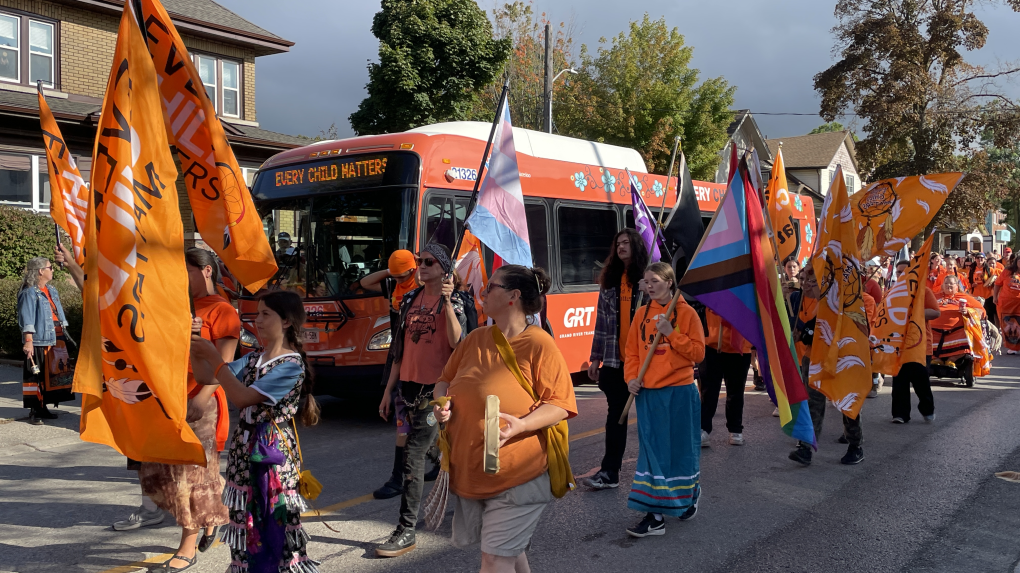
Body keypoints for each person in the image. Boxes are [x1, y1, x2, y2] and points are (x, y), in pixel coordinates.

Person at [433, 265, 577, 572]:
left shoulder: (539, 343)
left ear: (513, 296)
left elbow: (561, 405)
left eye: (491, 288)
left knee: (495, 559)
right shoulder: (475, 338)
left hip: (518, 476)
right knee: (507, 553)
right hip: (474, 473)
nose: (482, 293)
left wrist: (522, 425)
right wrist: (441, 403)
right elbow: (443, 380)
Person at [189, 290, 321, 573]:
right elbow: (204, 376)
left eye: (265, 314)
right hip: (244, 450)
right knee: (244, 516)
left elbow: (242, 397)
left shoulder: (291, 365)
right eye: (257, 313)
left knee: (275, 520)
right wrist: (195, 343)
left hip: (273, 453)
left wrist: (215, 357)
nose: (257, 320)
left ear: (286, 321)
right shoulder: (253, 359)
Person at [138, 249, 236, 572]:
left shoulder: (222, 310)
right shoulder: (178, 305)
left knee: (189, 478)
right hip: (171, 400)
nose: (182, 278)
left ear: (206, 271)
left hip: (201, 403)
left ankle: (187, 546)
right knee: (155, 473)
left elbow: (225, 362)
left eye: (188, 271)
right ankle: (214, 508)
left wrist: (202, 397)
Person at [376, 244, 466, 558]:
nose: (421, 266)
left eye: (428, 262)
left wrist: (447, 302)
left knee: (412, 455)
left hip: (435, 391)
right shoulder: (410, 300)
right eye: (419, 261)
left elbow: (458, 342)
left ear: (443, 269)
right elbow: (399, 350)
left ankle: (406, 529)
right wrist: (389, 390)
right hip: (407, 389)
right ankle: (463, 487)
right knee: (428, 448)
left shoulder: (454, 301)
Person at [623, 262, 705, 537]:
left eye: (654, 280)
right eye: (646, 281)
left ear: (670, 282)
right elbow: (633, 352)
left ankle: (688, 495)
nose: (649, 286)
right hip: (649, 394)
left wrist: (672, 333)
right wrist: (632, 378)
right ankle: (654, 515)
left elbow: (698, 353)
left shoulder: (687, 313)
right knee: (652, 453)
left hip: (680, 392)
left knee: (680, 450)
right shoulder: (641, 314)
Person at [585, 229, 649, 490]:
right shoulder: (610, 279)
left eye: (626, 243)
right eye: (618, 243)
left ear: (636, 246)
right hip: (616, 363)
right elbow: (601, 322)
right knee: (616, 419)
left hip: (645, 364)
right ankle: (610, 472)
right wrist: (595, 358)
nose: (621, 247)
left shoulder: (648, 279)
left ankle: (655, 474)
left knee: (650, 420)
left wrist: (651, 290)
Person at [356, 250, 420, 500]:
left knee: (416, 422)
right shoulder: (396, 284)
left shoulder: (421, 290)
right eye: (393, 276)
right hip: (400, 352)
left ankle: (404, 475)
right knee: (405, 419)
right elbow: (364, 283)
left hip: (413, 355)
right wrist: (391, 271)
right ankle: (401, 476)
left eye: (401, 274)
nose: (396, 279)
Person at [788, 265, 864, 466]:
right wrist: (800, 334)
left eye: (812, 279)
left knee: (844, 401)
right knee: (813, 403)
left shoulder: (836, 301)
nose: (806, 284)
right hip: (812, 358)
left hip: (839, 358)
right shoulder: (797, 299)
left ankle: (855, 444)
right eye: (803, 279)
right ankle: (806, 448)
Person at [17, 256, 72, 425]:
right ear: (41, 271)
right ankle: (35, 410)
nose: (53, 270)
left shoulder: (51, 290)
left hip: (55, 338)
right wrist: (28, 341)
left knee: (51, 377)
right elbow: (27, 319)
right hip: (39, 339)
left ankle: (44, 407)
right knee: (36, 376)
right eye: (50, 267)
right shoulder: (29, 292)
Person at [890, 260, 940, 424]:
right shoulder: (892, 292)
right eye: (898, 272)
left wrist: (913, 312)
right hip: (899, 344)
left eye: (905, 271)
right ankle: (900, 414)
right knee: (899, 379)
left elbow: (935, 313)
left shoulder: (924, 291)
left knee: (920, 380)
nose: (901, 275)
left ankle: (927, 409)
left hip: (920, 345)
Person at [699, 309, 751, 446]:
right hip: (712, 344)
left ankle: (735, 429)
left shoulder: (746, 289)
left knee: (736, 392)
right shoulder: (712, 288)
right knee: (708, 391)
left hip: (740, 346)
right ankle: (703, 429)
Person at [994, 255, 1020, 355]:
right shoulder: (1007, 271)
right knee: (1009, 325)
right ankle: (1012, 347)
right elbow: (997, 284)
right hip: (1006, 304)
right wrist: (995, 297)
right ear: (1016, 261)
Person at [971, 253, 999, 325]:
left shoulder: (990, 270)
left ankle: (990, 331)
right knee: (978, 314)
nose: (980, 259)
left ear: (984, 259)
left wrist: (992, 282)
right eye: (978, 258)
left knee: (990, 316)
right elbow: (967, 281)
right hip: (976, 295)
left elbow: (997, 280)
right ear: (975, 259)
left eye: (982, 258)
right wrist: (971, 285)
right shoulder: (972, 270)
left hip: (988, 295)